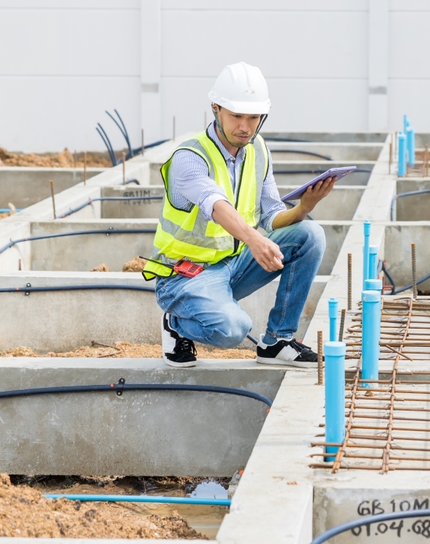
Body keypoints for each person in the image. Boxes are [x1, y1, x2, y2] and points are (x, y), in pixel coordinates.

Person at [142, 62, 335, 368]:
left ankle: (277, 341)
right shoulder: (189, 157)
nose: (245, 127)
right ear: (216, 109)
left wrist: (304, 208)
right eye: (237, 116)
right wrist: (254, 239)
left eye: (254, 117)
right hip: (184, 276)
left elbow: (272, 216)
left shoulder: (258, 150)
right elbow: (216, 205)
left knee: (310, 235)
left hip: (232, 266)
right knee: (234, 330)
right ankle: (176, 324)